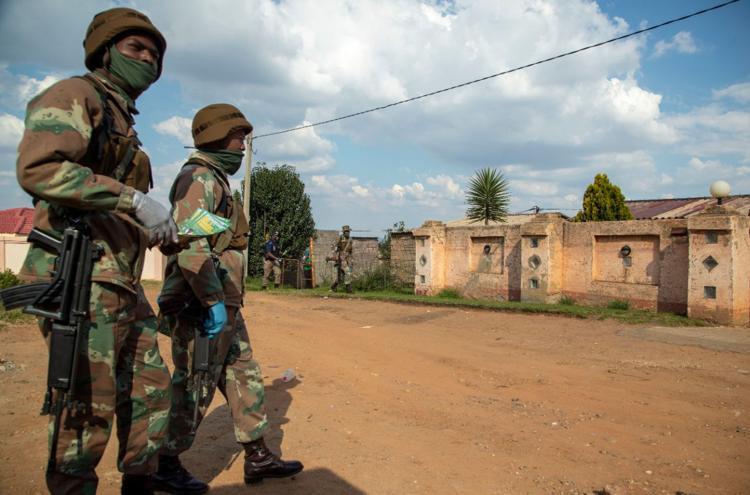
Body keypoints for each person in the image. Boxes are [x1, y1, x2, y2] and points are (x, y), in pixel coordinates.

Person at [15, 8, 176, 494]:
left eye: (154, 53)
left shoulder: (122, 117)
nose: (147, 59)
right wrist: (132, 200)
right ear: (104, 52)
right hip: (80, 277)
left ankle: (141, 483)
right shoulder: (76, 94)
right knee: (87, 405)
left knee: (150, 390)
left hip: (120, 279)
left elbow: (106, 200)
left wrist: (150, 227)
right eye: (135, 49)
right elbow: (39, 169)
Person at [155, 104, 303, 494]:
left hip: (223, 303)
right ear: (215, 137)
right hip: (202, 306)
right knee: (195, 383)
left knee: (243, 373)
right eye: (239, 138)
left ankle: (257, 455)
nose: (242, 147)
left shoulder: (215, 180)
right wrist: (210, 301)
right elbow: (189, 245)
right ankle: (163, 464)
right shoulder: (199, 178)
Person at [330, 225, 353, 293]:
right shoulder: (340, 238)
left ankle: (333, 287)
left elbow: (351, 250)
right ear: (343, 232)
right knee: (347, 272)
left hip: (347, 258)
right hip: (341, 259)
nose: (347, 232)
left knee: (341, 277)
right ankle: (348, 290)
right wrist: (336, 257)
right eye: (346, 231)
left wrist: (351, 259)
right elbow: (334, 247)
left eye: (348, 231)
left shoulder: (350, 239)